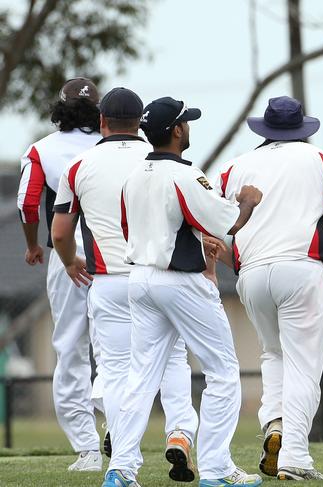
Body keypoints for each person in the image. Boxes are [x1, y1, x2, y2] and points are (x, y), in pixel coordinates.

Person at [105, 96, 263, 487]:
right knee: (223, 371)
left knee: (140, 378)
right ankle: (216, 469)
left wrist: (191, 236)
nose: (188, 128)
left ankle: (121, 469)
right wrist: (247, 203)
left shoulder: (134, 175)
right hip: (180, 281)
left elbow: (133, 229)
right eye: (185, 123)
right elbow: (227, 223)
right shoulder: (186, 175)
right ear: (176, 130)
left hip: (139, 278)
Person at [51, 88, 199, 483]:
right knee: (172, 361)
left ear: (101, 121)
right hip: (158, 275)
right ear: (141, 121)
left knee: (116, 371)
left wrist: (69, 263)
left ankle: (122, 454)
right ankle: (180, 432)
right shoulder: (161, 160)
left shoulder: (79, 165)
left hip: (108, 281)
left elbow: (61, 230)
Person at [217, 96, 323, 481]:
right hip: (301, 267)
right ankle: (295, 456)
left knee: (274, 355)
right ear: (302, 128)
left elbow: (209, 230)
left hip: (250, 273)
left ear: (263, 129)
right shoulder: (319, 159)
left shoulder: (233, 167)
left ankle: (274, 423)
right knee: (304, 364)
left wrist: (232, 261)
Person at [16, 77, 104, 471]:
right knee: (117, 346)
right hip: (116, 258)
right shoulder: (117, 146)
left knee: (70, 347)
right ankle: (116, 422)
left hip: (66, 257)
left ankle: (86, 449)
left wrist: (33, 245)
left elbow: (28, 202)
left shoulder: (43, 150)